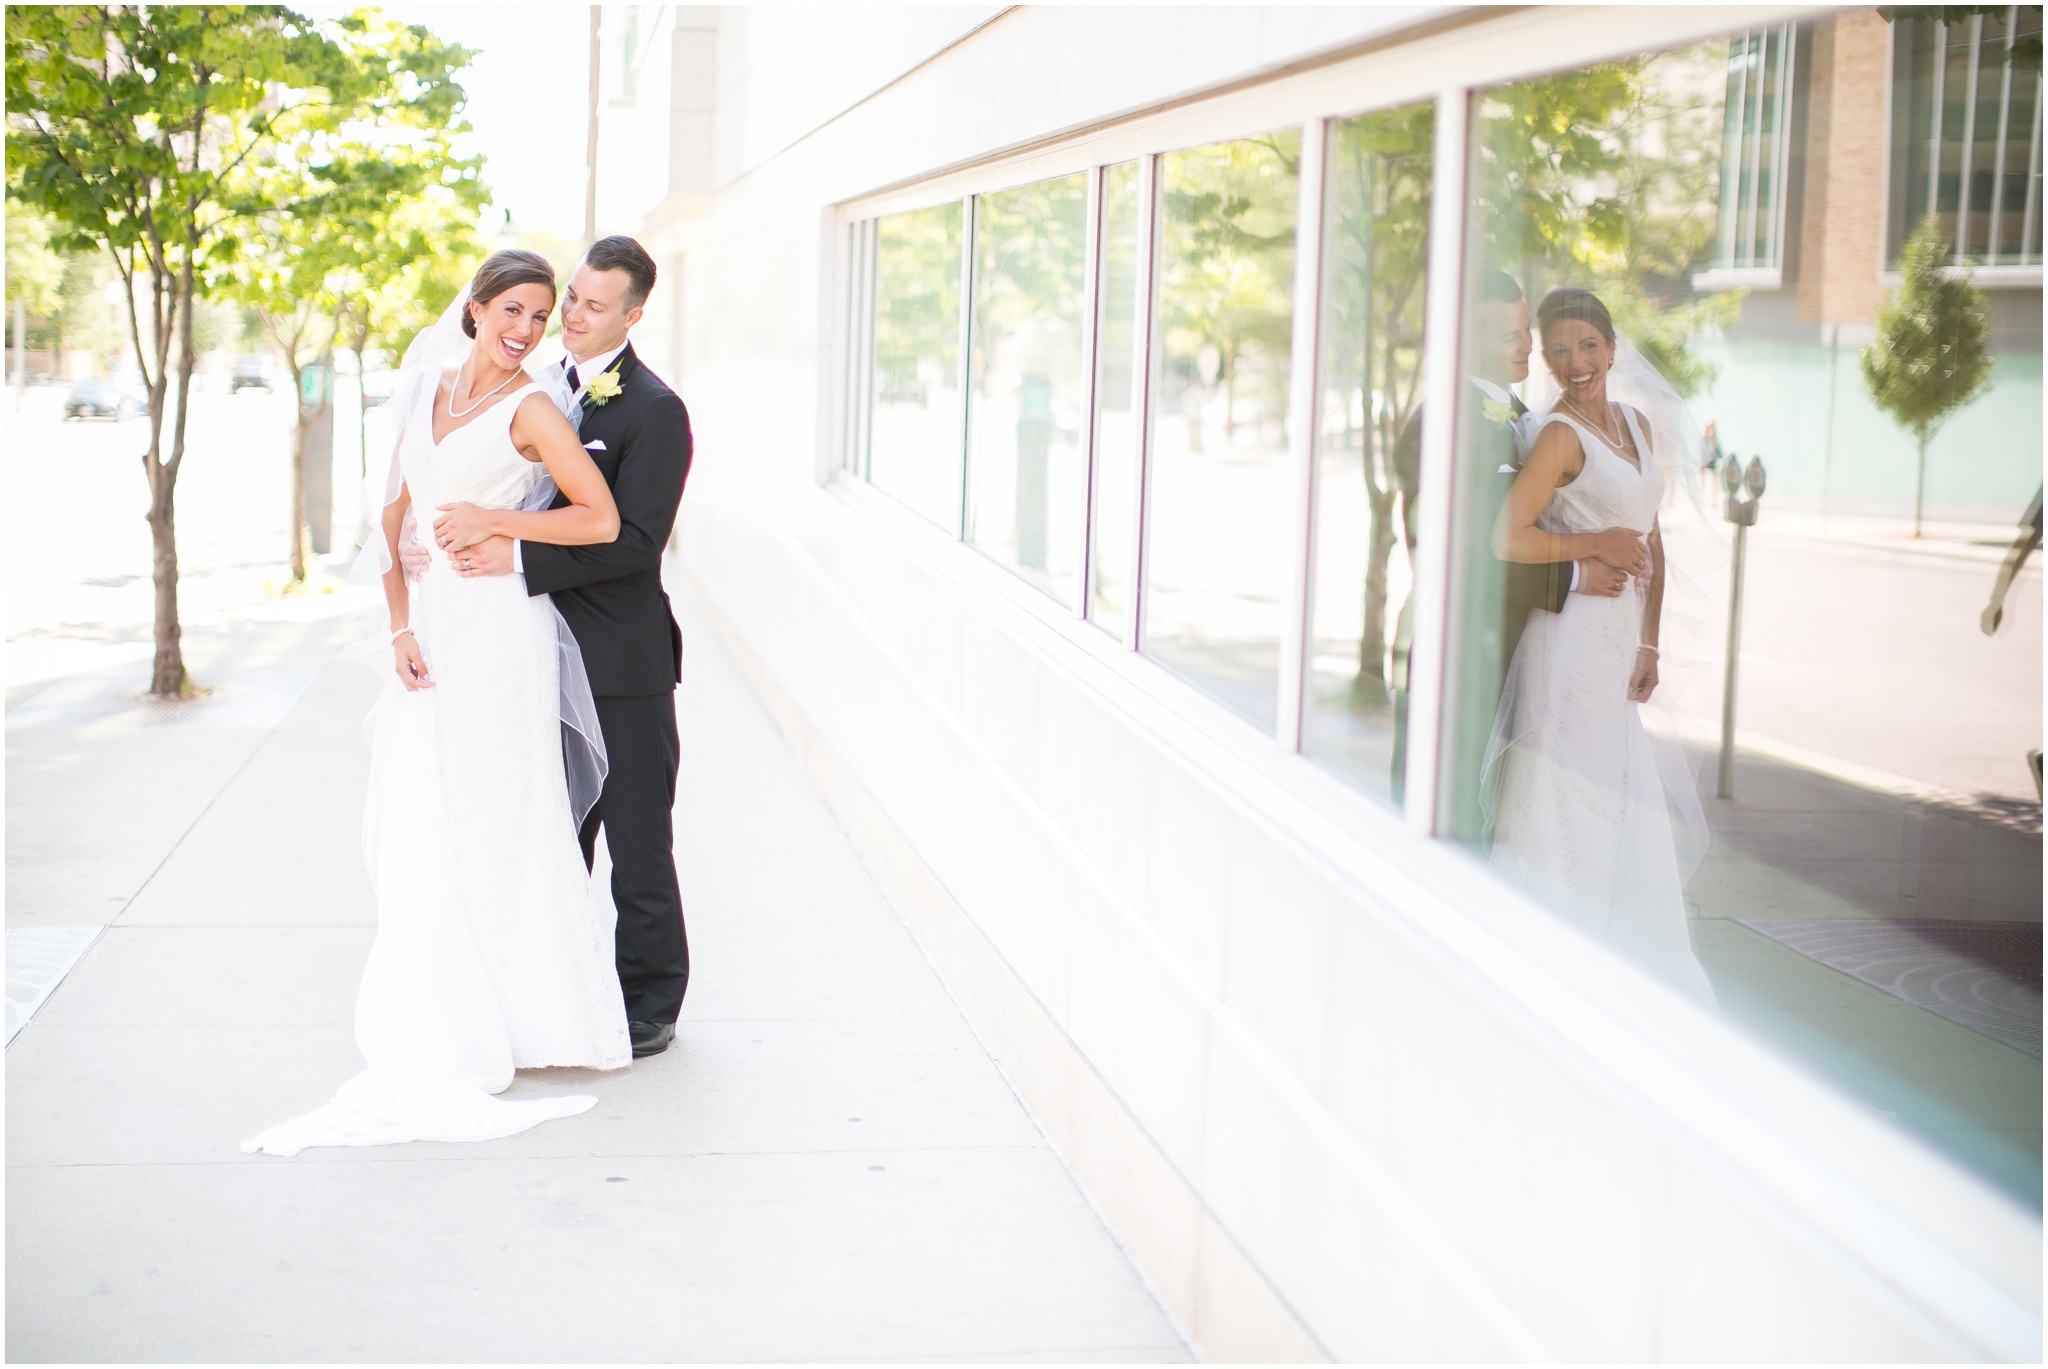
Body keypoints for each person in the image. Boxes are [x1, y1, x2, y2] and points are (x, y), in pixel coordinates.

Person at [243, 250, 632, 1157]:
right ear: (476, 306)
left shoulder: (533, 407)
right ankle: (451, 1004)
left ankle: (537, 1020)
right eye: (513, 309)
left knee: (500, 815)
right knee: (432, 815)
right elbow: (391, 525)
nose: (527, 329)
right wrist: (399, 630)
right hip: (434, 637)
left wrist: (500, 520)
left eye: (541, 316)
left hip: (501, 634)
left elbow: (599, 517)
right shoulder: (421, 390)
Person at [450, 236, 694, 1060]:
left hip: (621, 666)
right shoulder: (546, 386)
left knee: (636, 841)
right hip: (532, 656)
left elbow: (634, 542)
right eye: (573, 299)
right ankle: (566, 990)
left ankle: (650, 1003)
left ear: (633, 314)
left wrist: (514, 555)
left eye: (592, 305)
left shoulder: (656, 412)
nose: (573, 316)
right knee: (554, 836)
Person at [1487, 285, 1713, 1000]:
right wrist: (1593, 544)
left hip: (1619, 644)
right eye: (1556, 350)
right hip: (1571, 643)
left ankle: (1601, 956)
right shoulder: (1557, 435)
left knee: (1611, 796)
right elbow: (1507, 537)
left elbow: (1650, 539)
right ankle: (1546, 960)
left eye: (1587, 345)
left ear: (1612, 347)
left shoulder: (1639, 427)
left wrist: (1649, 644)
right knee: (1565, 797)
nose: (1573, 361)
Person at [1386, 270, 1621, 801]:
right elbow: (1466, 556)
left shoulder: (1518, 414)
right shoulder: (1441, 424)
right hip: (1464, 655)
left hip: (1519, 649)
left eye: (1524, 330)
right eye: (1509, 336)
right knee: (1448, 806)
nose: (1528, 346)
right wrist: (1580, 572)